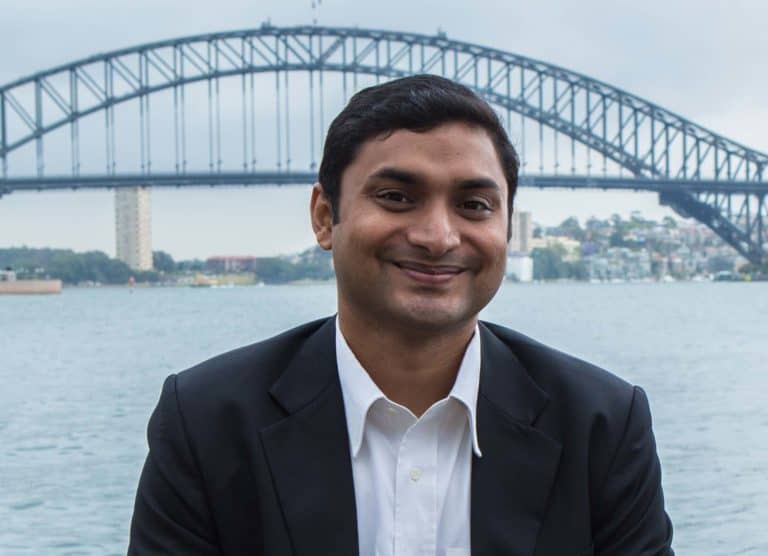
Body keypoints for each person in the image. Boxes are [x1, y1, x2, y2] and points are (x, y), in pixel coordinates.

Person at [128, 74, 674, 555]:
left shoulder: (602, 426)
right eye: (396, 197)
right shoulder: (206, 423)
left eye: (474, 206)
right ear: (324, 216)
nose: (438, 236)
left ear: (507, 227)